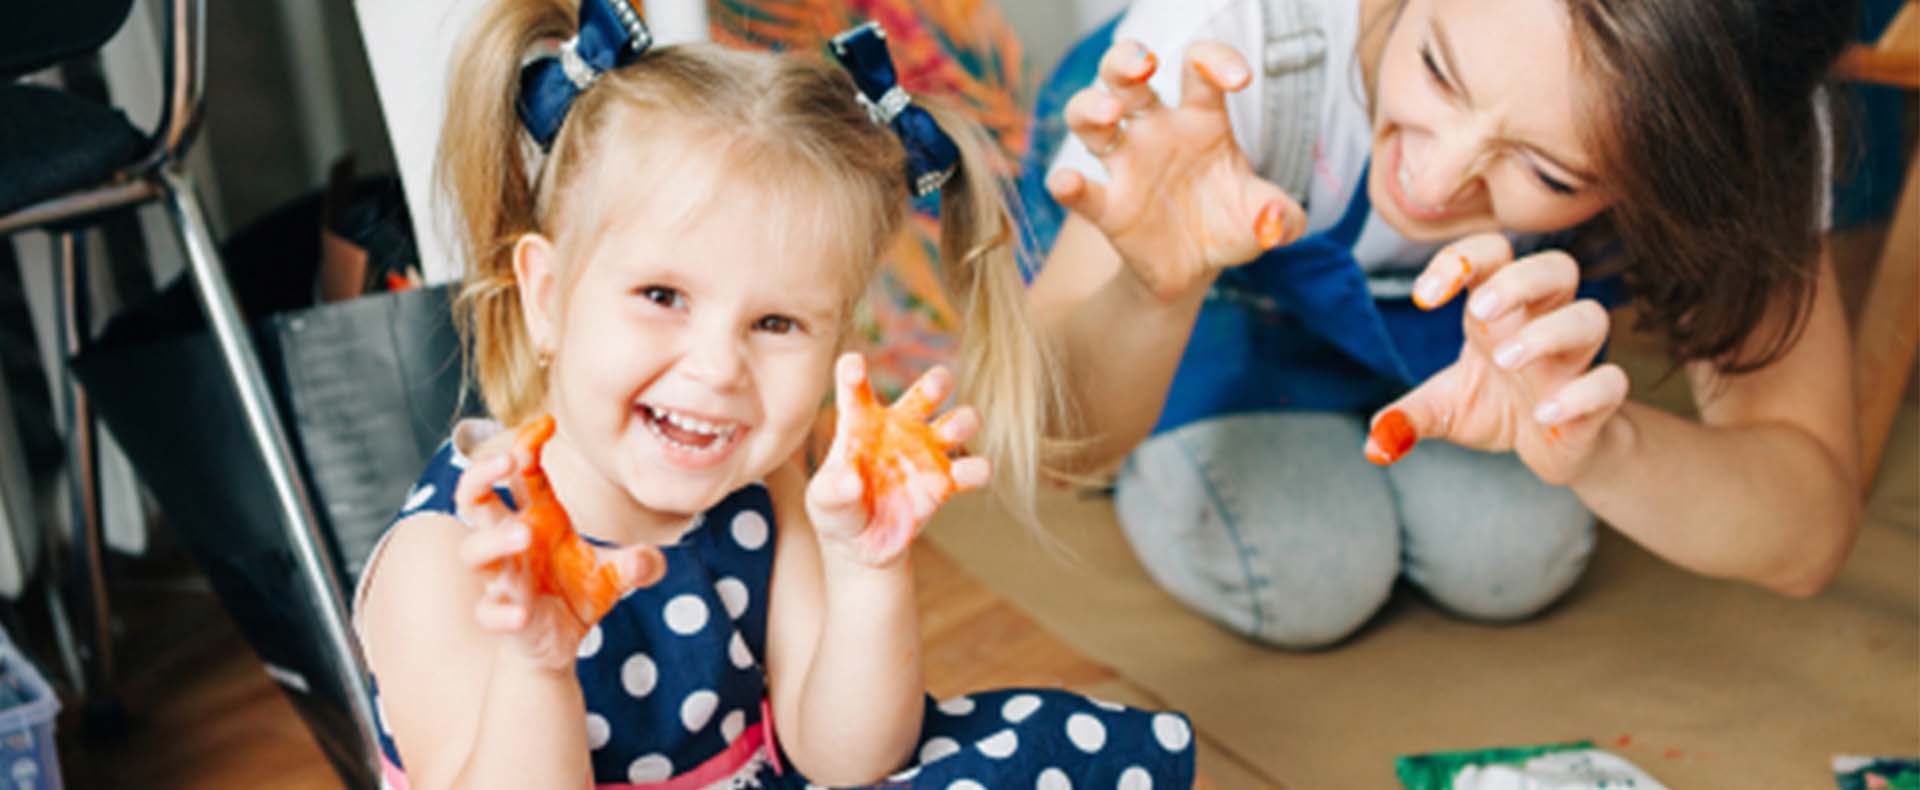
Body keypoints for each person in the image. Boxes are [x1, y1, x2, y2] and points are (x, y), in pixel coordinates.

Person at [353, 2, 1196, 787]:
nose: (720, 368)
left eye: (778, 323)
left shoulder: (763, 485)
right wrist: (535, 661)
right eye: (662, 296)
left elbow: (846, 759)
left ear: (838, 342)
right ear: (546, 296)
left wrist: (867, 569)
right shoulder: (452, 554)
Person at [1032, 0, 1862, 649]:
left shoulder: (1745, 111)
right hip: (1218, 302)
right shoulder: (1227, 40)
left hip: (1462, 347)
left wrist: (1597, 445)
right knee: (1309, 573)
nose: (1432, 178)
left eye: (1548, 170)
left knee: (1511, 554)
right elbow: (1038, 444)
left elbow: (1808, 530)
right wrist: (1152, 292)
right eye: (1436, 69)